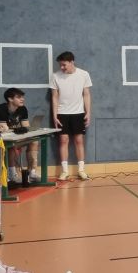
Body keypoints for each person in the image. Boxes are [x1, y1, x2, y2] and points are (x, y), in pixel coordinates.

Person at [51, 51, 92, 181]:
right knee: (63, 140)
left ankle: (81, 170)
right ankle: (64, 171)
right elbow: (54, 97)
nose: (62, 67)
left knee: (79, 141)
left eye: (64, 65)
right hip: (62, 113)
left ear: (71, 62)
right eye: (60, 65)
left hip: (78, 113)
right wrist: (55, 115)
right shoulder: (55, 76)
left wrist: (88, 112)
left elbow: (86, 94)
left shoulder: (84, 74)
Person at [0, 87, 39, 185]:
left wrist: (27, 129)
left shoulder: (22, 109)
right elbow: (4, 130)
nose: (22, 99)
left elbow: (26, 126)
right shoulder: (0, 110)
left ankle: (32, 172)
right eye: (19, 97)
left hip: (12, 137)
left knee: (34, 141)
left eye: (22, 97)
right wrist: (18, 129)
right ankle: (12, 174)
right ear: (10, 99)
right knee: (12, 146)